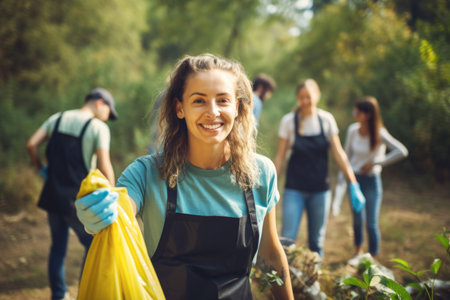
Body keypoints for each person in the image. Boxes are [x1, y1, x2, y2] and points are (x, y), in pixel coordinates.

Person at [75, 54, 294, 299]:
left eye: (223, 100)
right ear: (180, 108)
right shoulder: (147, 172)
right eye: (199, 100)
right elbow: (120, 211)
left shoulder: (261, 173)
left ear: (238, 107)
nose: (213, 112)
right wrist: (99, 216)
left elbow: (271, 256)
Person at [26, 88, 117, 300]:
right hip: (78, 198)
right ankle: (85, 293)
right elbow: (105, 165)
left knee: (57, 245)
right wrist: (113, 195)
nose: (108, 118)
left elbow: (31, 145)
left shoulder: (56, 118)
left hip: (52, 193)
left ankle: (59, 295)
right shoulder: (98, 127)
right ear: (100, 103)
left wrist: (42, 170)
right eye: (109, 112)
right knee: (92, 244)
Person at [273, 79, 365, 257]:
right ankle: (285, 281)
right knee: (287, 240)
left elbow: (339, 154)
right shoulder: (288, 121)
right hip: (294, 189)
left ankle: (313, 282)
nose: (305, 101)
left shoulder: (326, 120)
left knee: (316, 242)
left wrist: (353, 184)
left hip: (320, 191)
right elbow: (280, 157)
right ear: (297, 98)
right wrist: (271, 185)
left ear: (317, 96)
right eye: (301, 97)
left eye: (309, 96)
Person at [332, 96, 408, 261]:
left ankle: (373, 257)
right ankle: (357, 253)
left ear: (367, 114)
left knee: (371, 222)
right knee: (358, 220)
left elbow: (401, 151)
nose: (354, 114)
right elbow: (345, 156)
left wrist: (376, 163)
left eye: (357, 112)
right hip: (355, 180)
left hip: (372, 181)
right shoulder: (353, 130)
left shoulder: (380, 132)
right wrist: (343, 178)